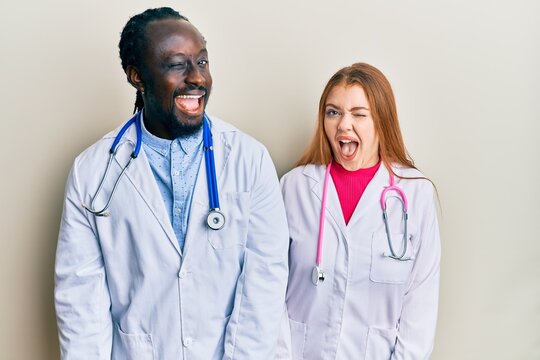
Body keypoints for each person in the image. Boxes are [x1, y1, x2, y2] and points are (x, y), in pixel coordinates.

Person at [54, 7, 289, 359]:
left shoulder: (249, 160)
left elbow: (263, 287)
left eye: (203, 62)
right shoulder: (92, 172)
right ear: (137, 76)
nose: (197, 78)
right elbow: (80, 305)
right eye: (177, 64)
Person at [277, 63, 440, 359]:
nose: (343, 125)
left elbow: (421, 304)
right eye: (333, 112)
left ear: (382, 121)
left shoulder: (416, 194)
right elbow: (271, 290)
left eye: (359, 114)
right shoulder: (295, 187)